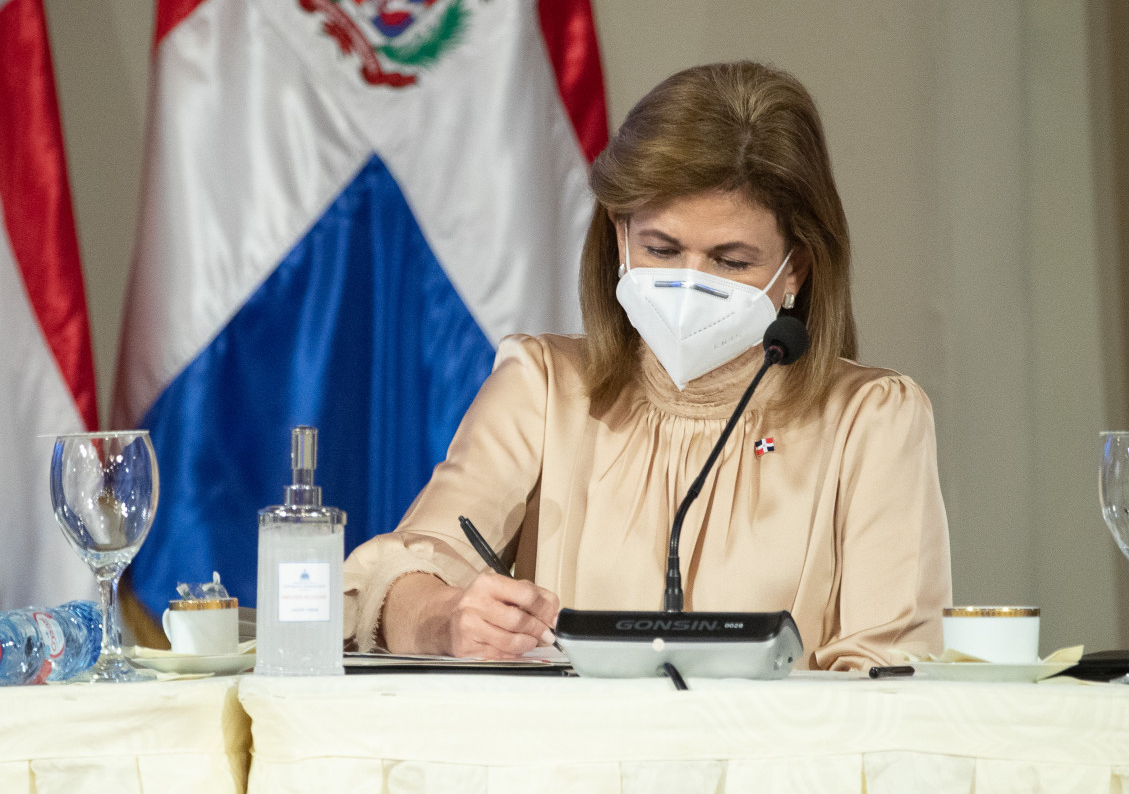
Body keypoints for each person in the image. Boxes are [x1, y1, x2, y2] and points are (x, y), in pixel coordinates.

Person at [343, 61, 951, 670]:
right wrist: (444, 618)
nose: (690, 283)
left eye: (731, 262)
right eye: (661, 249)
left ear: (797, 267)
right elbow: (398, 572)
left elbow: (890, 672)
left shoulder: (873, 420)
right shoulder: (544, 386)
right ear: (619, 235)